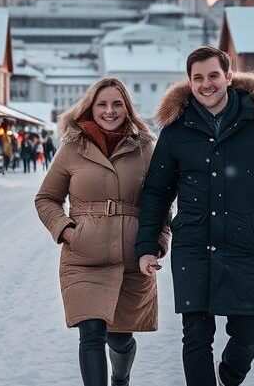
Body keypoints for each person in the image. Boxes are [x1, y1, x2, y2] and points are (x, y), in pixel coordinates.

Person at [135, 46, 254, 386]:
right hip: (193, 245)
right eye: (197, 78)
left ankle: (228, 375)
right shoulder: (176, 129)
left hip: (245, 244)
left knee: (248, 332)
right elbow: (156, 191)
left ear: (228, 76)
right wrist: (146, 245)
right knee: (196, 336)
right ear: (190, 82)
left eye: (213, 75)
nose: (206, 84)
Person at [35, 77, 167, 386]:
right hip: (83, 257)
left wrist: (156, 245)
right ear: (91, 108)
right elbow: (46, 199)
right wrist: (67, 230)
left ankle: (121, 379)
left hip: (132, 260)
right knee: (91, 333)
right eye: (102, 104)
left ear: (128, 108)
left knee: (120, 340)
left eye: (117, 104)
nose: (110, 111)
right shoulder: (71, 147)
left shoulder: (146, 147)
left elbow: (160, 203)